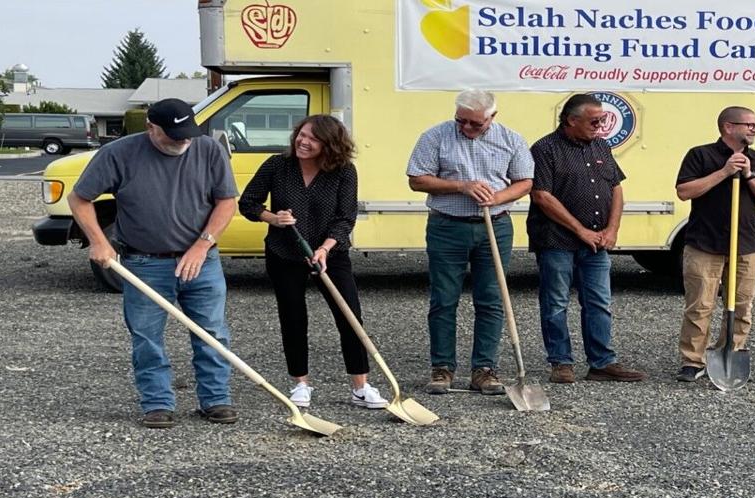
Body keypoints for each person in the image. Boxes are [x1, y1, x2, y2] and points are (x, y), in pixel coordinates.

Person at [68, 98, 239, 428]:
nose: (183, 141)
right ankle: (157, 403)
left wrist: (202, 246)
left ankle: (216, 399)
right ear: (151, 127)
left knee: (212, 332)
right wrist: (99, 241)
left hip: (201, 261)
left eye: (187, 134)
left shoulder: (208, 150)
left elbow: (226, 202)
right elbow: (80, 198)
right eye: (173, 135)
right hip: (144, 263)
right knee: (146, 337)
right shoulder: (119, 153)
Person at [239, 115, 387, 410]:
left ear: (330, 145)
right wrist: (274, 219)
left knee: (350, 317)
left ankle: (360, 387)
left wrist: (325, 248)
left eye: (313, 139)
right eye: (301, 135)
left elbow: (346, 218)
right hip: (284, 252)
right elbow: (248, 203)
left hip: (329, 255)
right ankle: (300, 384)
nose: (303, 142)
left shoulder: (344, 171)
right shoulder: (277, 165)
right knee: (293, 318)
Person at [406, 89, 534, 395]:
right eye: (461, 121)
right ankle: (442, 369)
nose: (466, 128)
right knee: (443, 299)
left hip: (496, 226)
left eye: (475, 124)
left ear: (492, 117)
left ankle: (484, 369)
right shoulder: (435, 136)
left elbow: (525, 181)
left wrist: (497, 197)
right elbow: (416, 179)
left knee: (491, 298)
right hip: (447, 226)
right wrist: (461, 186)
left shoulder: (511, 139)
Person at [527, 93, 646, 384]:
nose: (600, 126)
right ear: (571, 119)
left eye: (603, 120)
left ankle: (602, 362)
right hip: (556, 240)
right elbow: (542, 195)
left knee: (599, 302)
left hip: (597, 242)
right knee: (555, 302)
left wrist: (613, 229)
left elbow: (616, 188)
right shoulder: (545, 149)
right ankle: (561, 362)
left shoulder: (601, 146)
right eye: (595, 121)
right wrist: (580, 230)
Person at [674, 106, 755, 382]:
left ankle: (731, 352)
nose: (754, 129)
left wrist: (749, 175)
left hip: (746, 245)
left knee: (742, 305)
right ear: (728, 127)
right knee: (700, 305)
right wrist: (724, 172)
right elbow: (685, 191)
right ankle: (693, 360)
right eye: (749, 125)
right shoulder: (700, 155)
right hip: (704, 244)